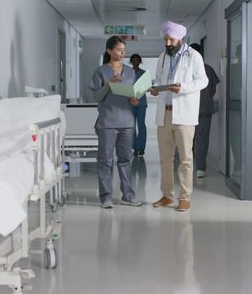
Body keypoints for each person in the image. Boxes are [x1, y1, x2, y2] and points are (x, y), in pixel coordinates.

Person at [150, 21, 208, 212]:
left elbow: (203, 80)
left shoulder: (193, 56)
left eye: (171, 39)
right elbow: (159, 79)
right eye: (165, 39)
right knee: (165, 158)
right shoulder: (162, 57)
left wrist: (182, 88)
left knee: (185, 158)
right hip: (165, 114)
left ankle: (185, 197)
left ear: (180, 39)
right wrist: (156, 88)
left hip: (184, 115)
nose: (167, 43)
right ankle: (167, 196)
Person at [88, 36, 143, 209]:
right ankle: (106, 197)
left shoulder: (130, 71)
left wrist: (135, 100)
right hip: (107, 122)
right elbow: (96, 97)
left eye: (123, 50)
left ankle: (128, 195)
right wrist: (108, 85)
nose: (122, 53)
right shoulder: (101, 71)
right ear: (109, 50)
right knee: (105, 161)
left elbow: (134, 95)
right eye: (119, 50)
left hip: (127, 121)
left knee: (125, 160)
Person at [189, 43, 220, 178]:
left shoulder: (187, 70)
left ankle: (193, 166)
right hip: (201, 108)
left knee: (189, 139)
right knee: (200, 139)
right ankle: (199, 167)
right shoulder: (207, 69)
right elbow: (213, 89)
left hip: (195, 110)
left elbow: (212, 89)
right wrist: (206, 98)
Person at [130, 54, 148, 157]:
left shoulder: (144, 74)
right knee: (132, 126)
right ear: (131, 62)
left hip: (141, 103)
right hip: (131, 103)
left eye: (137, 60)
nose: (135, 62)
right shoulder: (127, 73)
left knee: (141, 125)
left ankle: (141, 148)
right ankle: (135, 148)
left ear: (139, 62)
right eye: (133, 60)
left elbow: (146, 87)